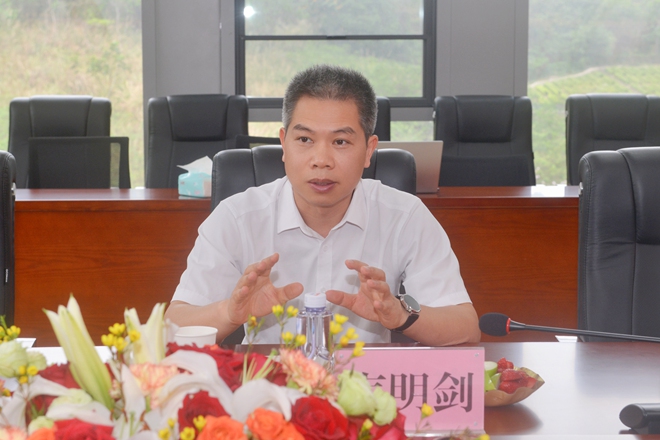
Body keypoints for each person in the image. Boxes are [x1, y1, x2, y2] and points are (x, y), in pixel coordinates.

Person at [165, 65, 480, 346]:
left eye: (340, 142)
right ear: (283, 143)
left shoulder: (405, 216)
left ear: (369, 150)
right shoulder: (236, 218)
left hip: (368, 386)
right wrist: (229, 312)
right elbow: (174, 325)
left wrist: (401, 316)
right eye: (305, 140)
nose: (321, 160)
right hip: (267, 384)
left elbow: (465, 327)